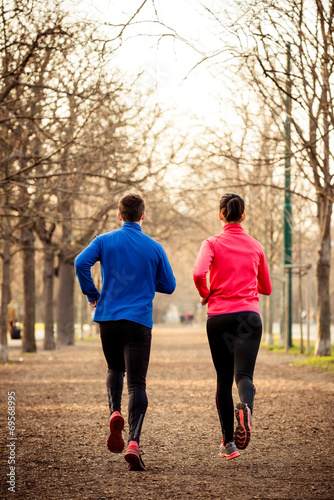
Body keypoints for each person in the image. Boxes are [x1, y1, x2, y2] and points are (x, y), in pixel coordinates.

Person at [75, 193, 176, 471]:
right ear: (143, 216)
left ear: (119, 215)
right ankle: (133, 442)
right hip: (139, 322)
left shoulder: (103, 241)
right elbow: (169, 286)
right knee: (137, 384)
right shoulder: (154, 247)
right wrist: (145, 280)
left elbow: (80, 263)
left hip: (108, 318)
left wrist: (92, 294)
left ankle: (114, 411)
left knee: (114, 369)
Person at [193, 193, 272, 460]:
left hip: (219, 318)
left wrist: (206, 292)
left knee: (223, 380)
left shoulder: (212, 243)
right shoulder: (255, 245)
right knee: (244, 376)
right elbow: (267, 288)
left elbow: (197, 272)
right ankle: (246, 408)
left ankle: (228, 444)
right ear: (244, 215)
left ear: (220, 215)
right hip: (249, 316)